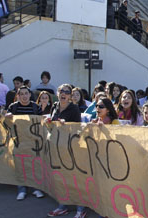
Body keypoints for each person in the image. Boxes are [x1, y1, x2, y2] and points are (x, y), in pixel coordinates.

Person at [47, 84, 85, 218]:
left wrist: (66, 126)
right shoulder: (55, 106)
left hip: (71, 147)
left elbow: (77, 129)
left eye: (67, 92)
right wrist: (49, 123)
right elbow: (51, 126)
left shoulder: (74, 109)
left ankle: (81, 209)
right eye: (61, 91)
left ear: (70, 96)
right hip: (57, 146)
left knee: (75, 178)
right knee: (61, 178)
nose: (64, 94)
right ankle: (62, 206)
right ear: (58, 93)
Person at [6, 86, 44, 200]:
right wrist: (7, 117)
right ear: (18, 96)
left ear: (29, 94)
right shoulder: (13, 107)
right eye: (21, 94)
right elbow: (7, 124)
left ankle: (36, 188)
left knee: (34, 165)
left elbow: (41, 123)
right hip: (18, 141)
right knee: (20, 165)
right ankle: (21, 189)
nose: (24, 96)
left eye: (26, 93)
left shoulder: (36, 107)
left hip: (33, 141)